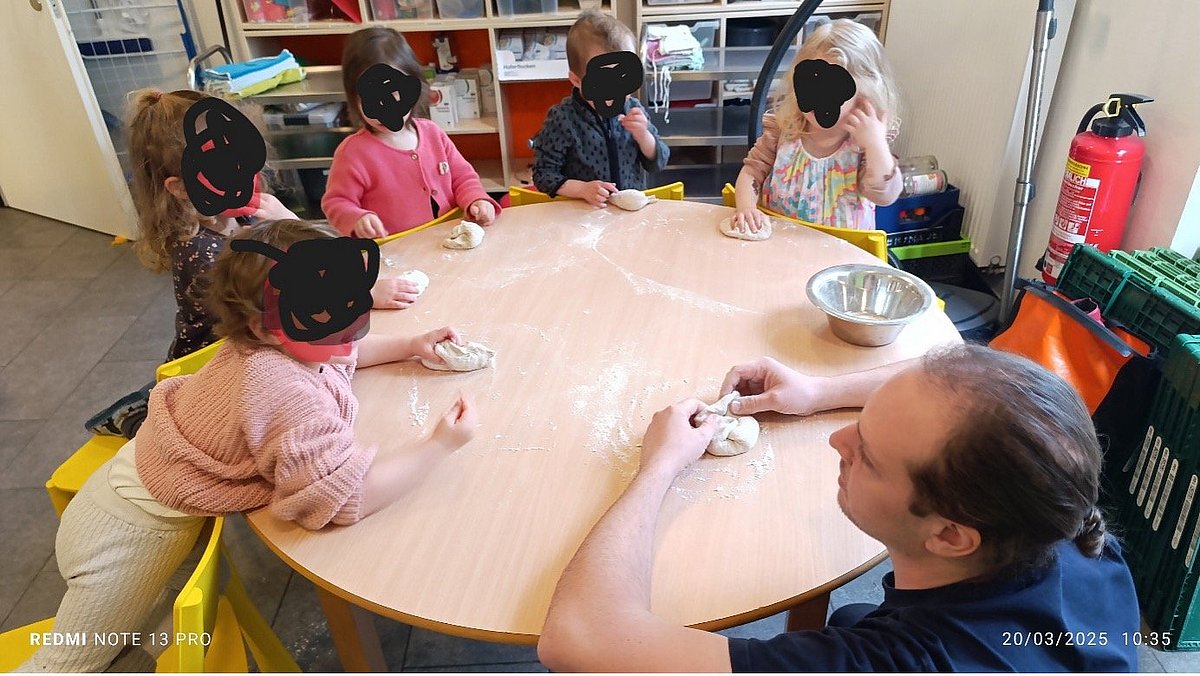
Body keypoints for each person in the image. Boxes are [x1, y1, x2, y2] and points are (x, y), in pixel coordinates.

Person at [18, 220, 478, 673]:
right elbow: (346, 498)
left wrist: (410, 344)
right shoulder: (278, 388)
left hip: (141, 500)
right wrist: (439, 445)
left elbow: (345, 353)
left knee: (136, 644)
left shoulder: (289, 342)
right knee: (68, 663)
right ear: (261, 328)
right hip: (124, 535)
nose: (348, 327)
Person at [538, 345, 1140, 672]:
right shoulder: (1068, 527)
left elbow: (579, 638)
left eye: (869, 454)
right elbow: (958, 370)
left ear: (950, 535)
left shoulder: (887, 665)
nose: (838, 440)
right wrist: (817, 391)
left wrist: (660, 466)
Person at [322, 27, 501, 239]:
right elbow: (336, 202)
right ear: (354, 98)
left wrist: (476, 199)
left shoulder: (433, 133)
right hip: (397, 252)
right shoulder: (353, 153)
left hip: (448, 238)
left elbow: (462, 177)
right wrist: (357, 218)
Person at [731, 19, 903, 234]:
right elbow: (751, 172)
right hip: (780, 246)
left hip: (840, 256)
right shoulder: (784, 129)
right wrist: (747, 208)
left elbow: (884, 196)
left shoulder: (864, 146)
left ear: (864, 96)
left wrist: (875, 145)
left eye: (832, 91)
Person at [531, 10, 669, 207]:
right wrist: (582, 189)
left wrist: (643, 135)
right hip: (583, 213)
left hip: (629, 212)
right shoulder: (562, 118)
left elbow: (659, 161)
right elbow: (543, 174)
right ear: (577, 80)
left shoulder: (633, 109)